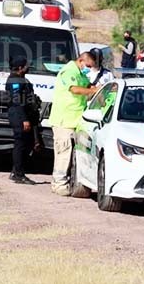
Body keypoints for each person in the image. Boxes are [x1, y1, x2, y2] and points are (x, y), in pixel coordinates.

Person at [47, 52, 98, 196]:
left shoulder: (80, 73)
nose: (89, 69)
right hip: (64, 121)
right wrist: (92, 90)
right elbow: (74, 89)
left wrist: (95, 87)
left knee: (73, 155)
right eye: (88, 66)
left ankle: (69, 182)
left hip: (76, 121)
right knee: (64, 153)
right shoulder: (68, 71)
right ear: (81, 60)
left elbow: (87, 85)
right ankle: (59, 184)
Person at [5, 56, 41, 185]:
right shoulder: (15, 81)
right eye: (26, 66)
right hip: (19, 116)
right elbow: (16, 101)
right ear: (20, 68)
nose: (28, 68)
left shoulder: (21, 79)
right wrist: (24, 120)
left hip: (25, 115)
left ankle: (16, 171)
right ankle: (18, 174)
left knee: (27, 144)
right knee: (20, 145)